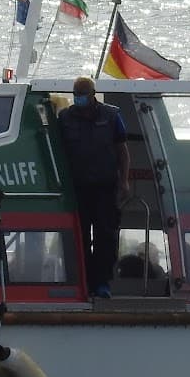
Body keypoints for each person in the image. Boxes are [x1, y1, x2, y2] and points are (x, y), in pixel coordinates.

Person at [57, 76, 129, 298]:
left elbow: (123, 152)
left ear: (92, 94)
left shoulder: (111, 116)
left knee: (105, 237)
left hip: (105, 187)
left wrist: (124, 181)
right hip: (77, 187)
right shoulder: (65, 118)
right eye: (75, 94)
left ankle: (102, 283)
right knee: (79, 236)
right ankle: (84, 282)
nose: (77, 99)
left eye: (82, 95)